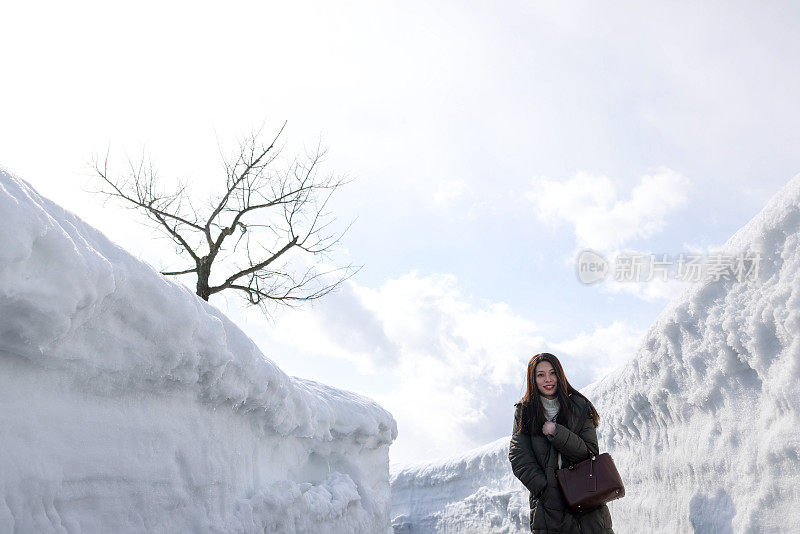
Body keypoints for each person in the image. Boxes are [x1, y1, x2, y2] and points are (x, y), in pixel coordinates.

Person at [508, 352, 614, 533]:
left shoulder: (579, 407)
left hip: (587, 499)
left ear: (560, 374)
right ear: (533, 379)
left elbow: (589, 452)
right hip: (548, 508)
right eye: (540, 375)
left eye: (552, 373)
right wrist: (544, 488)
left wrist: (557, 433)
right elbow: (519, 457)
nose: (548, 379)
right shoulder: (525, 412)